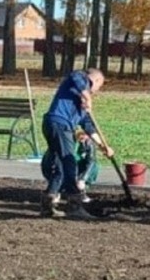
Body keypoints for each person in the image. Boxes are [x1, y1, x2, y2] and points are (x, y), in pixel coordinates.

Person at [39, 67, 110, 219]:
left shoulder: (83, 105)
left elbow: (88, 126)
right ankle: (74, 206)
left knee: (59, 165)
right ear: (95, 80)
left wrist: (103, 146)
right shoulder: (79, 80)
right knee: (69, 161)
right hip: (59, 124)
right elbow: (76, 75)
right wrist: (87, 96)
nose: (97, 91)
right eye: (99, 86)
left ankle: (48, 203)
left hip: (56, 125)